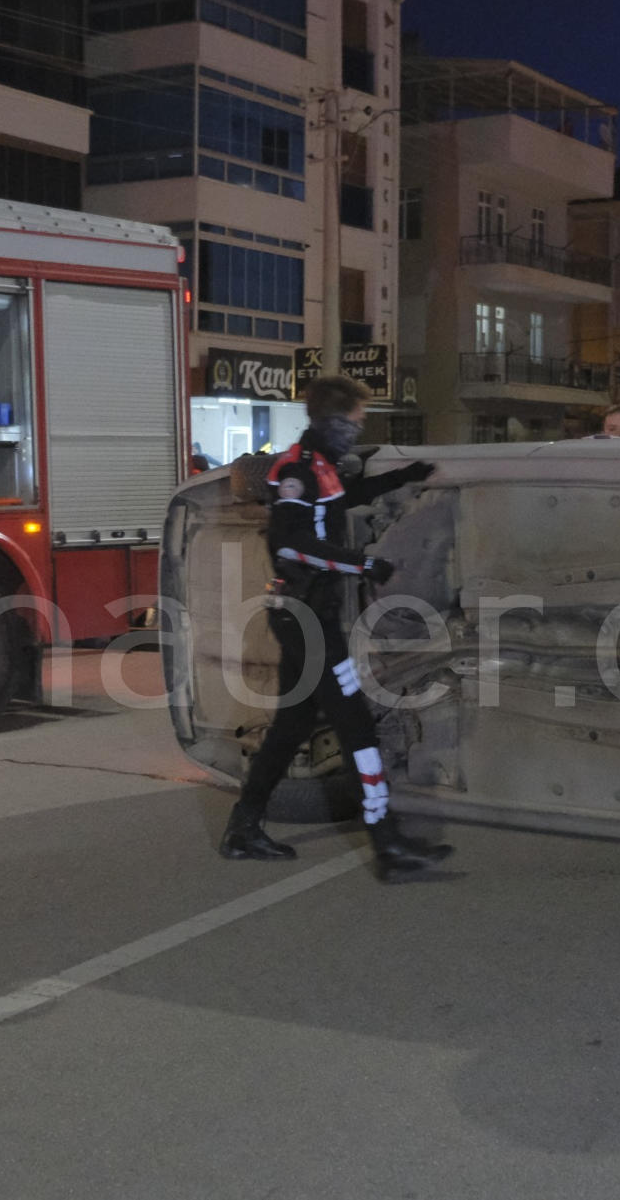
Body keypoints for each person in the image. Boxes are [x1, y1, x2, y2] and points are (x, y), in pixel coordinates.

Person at [219, 374, 451, 881]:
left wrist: (407, 475)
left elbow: (346, 497)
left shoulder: (321, 467)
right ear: (329, 421)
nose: (357, 429)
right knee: (355, 725)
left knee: (292, 726)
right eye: (353, 422)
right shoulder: (294, 471)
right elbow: (289, 544)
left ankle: (243, 828)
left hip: (306, 613)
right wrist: (361, 565)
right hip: (305, 615)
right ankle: (387, 844)